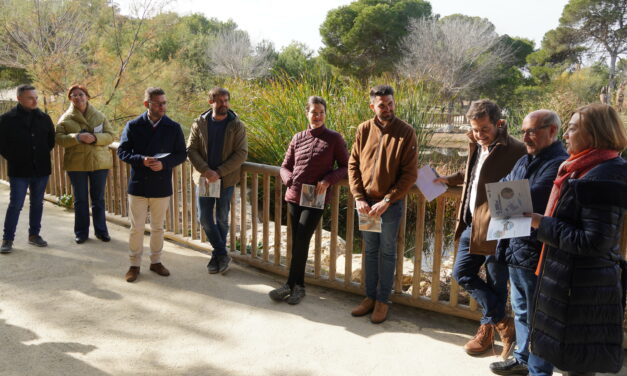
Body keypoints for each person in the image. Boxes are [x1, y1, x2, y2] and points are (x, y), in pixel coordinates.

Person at [526, 104, 627, 376]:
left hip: (585, 288)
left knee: (580, 367)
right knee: (576, 364)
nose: (566, 135)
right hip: (575, 284)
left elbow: (594, 241)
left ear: (593, 134)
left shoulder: (604, 176)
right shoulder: (584, 168)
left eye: (572, 128)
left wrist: (540, 222)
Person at [435, 99, 525, 358]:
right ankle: (503, 324)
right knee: (461, 273)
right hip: (471, 224)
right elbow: (473, 173)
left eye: (483, 128)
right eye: (474, 129)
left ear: (498, 123)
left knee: (497, 284)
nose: (478, 134)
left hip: (499, 228)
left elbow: (524, 185)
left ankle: (487, 335)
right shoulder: (476, 143)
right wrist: (447, 179)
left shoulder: (516, 149)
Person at [488, 110, 568, 376]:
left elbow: (533, 197)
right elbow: (502, 186)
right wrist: (511, 193)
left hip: (539, 251)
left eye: (531, 131)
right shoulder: (524, 160)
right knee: (521, 309)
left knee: (539, 316)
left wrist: (511, 193)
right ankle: (522, 359)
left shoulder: (559, 162)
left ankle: (539, 370)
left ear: (552, 131)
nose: (525, 137)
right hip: (515, 246)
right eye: (523, 131)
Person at [268, 96, 348, 304]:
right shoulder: (298, 137)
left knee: (302, 239)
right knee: (297, 242)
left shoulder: (334, 139)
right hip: (294, 195)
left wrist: (328, 180)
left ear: (325, 114)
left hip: (315, 196)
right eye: (314, 112)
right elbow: (285, 166)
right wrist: (288, 179)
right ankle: (298, 286)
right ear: (307, 113)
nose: (318, 116)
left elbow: (346, 166)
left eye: (321, 112)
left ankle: (290, 285)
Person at [348, 85, 418, 323]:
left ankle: (382, 300)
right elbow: (353, 164)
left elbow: (410, 174)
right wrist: (358, 197)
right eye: (382, 105)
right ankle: (369, 297)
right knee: (370, 251)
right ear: (372, 106)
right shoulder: (364, 129)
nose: (387, 109)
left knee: (388, 252)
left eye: (390, 104)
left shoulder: (406, 132)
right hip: (366, 204)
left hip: (389, 206)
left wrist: (388, 200)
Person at [117, 87, 187, 282]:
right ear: (147, 104)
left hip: (161, 184)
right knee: (136, 228)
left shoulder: (173, 127)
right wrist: (141, 159)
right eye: (159, 103)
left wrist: (164, 163)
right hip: (138, 184)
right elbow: (122, 152)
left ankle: (156, 262)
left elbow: (182, 154)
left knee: (158, 227)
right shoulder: (133, 125)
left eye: (164, 103)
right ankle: (134, 265)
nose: (163, 107)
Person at [187, 87, 247, 275]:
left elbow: (241, 153)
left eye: (226, 100)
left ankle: (216, 256)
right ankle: (222, 253)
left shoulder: (236, 125)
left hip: (226, 179)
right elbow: (191, 149)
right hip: (205, 179)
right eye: (219, 101)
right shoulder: (199, 123)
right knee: (203, 217)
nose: (224, 104)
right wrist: (206, 170)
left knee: (221, 218)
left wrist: (219, 172)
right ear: (210, 102)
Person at [55, 85, 114, 244]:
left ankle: (101, 231)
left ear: (87, 96)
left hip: (99, 163)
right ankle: (81, 232)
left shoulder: (99, 116)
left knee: (98, 199)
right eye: (74, 95)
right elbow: (59, 139)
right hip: (76, 164)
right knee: (80, 200)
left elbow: (110, 136)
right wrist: (77, 138)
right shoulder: (65, 119)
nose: (78, 97)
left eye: (81, 94)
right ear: (70, 99)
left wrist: (95, 138)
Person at [0, 85, 55, 254]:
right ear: (19, 98)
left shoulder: (45, 118)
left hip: (41, 169)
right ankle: (7, 239)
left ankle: (34, 235)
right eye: (30, 97)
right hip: (19, 170)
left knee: (37, 204)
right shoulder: (6, 119)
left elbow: (50, 142)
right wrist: (17, 158)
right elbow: (2, 145)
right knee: (16, 204)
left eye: (36, 97)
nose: (35, 101)